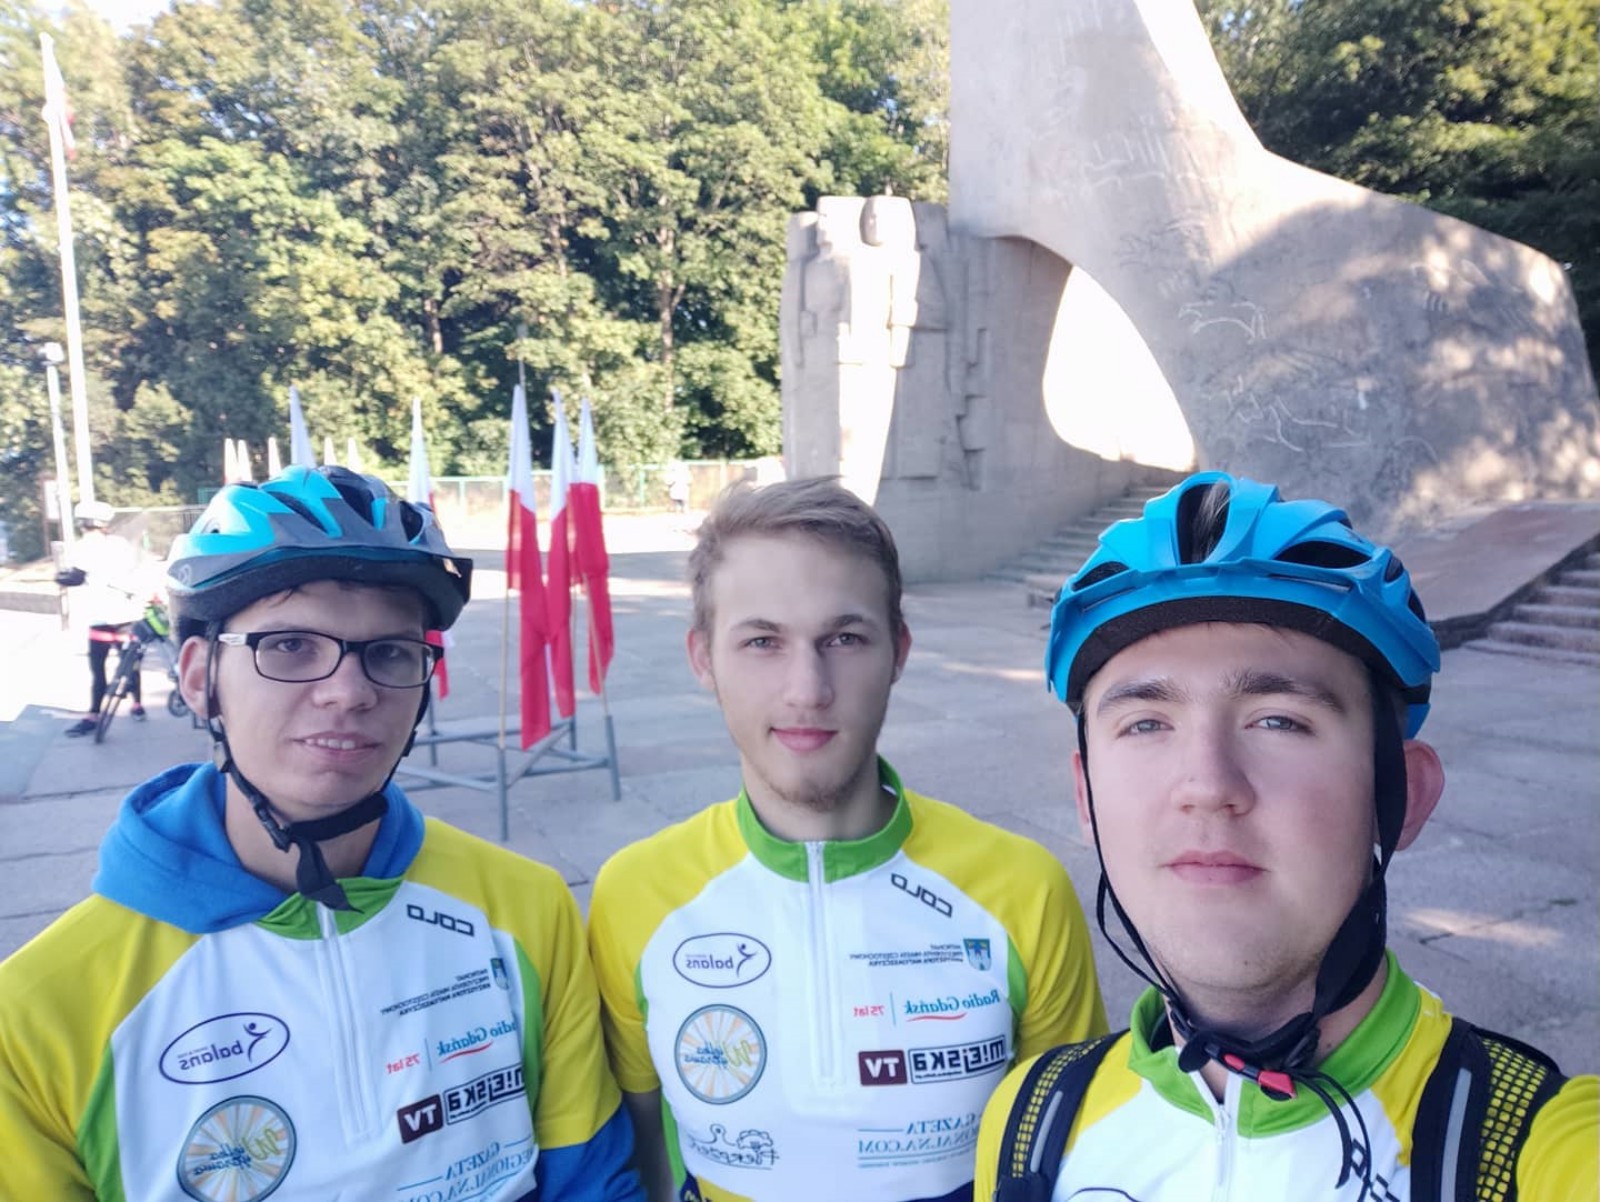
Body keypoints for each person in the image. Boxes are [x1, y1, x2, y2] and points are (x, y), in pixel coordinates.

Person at [0, 465, 642, 1201]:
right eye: (289, 646)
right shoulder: (39, 1010)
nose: (349, 691)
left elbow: (592, 1181)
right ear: (199, 677)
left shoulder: (524, 908)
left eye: (390, 652)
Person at [973, 470, 1598, 1200]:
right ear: (1086, 797)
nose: (1207, 784)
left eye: (1279, 721)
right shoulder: (1028, 1120)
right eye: (1146, 723)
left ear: (1401, 796)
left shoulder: (1531, 1151)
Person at [587, 477, 1107, 1202]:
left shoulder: (1023, 889)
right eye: (762, 641)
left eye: (844, 638)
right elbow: (638, 1148)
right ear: (703, 658)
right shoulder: (636, 894)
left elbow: (1072, 1149)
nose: (808, 689)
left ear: (898, 652)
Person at [61, 499, 147, 735]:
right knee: (131, 664)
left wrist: (60, 578)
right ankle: (137, 706)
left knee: (98, 669)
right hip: (127, 614)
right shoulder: (120, 544)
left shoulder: (82, 546)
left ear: (83, 523)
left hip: (100, 617)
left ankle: (93, 715)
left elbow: (75, 577)